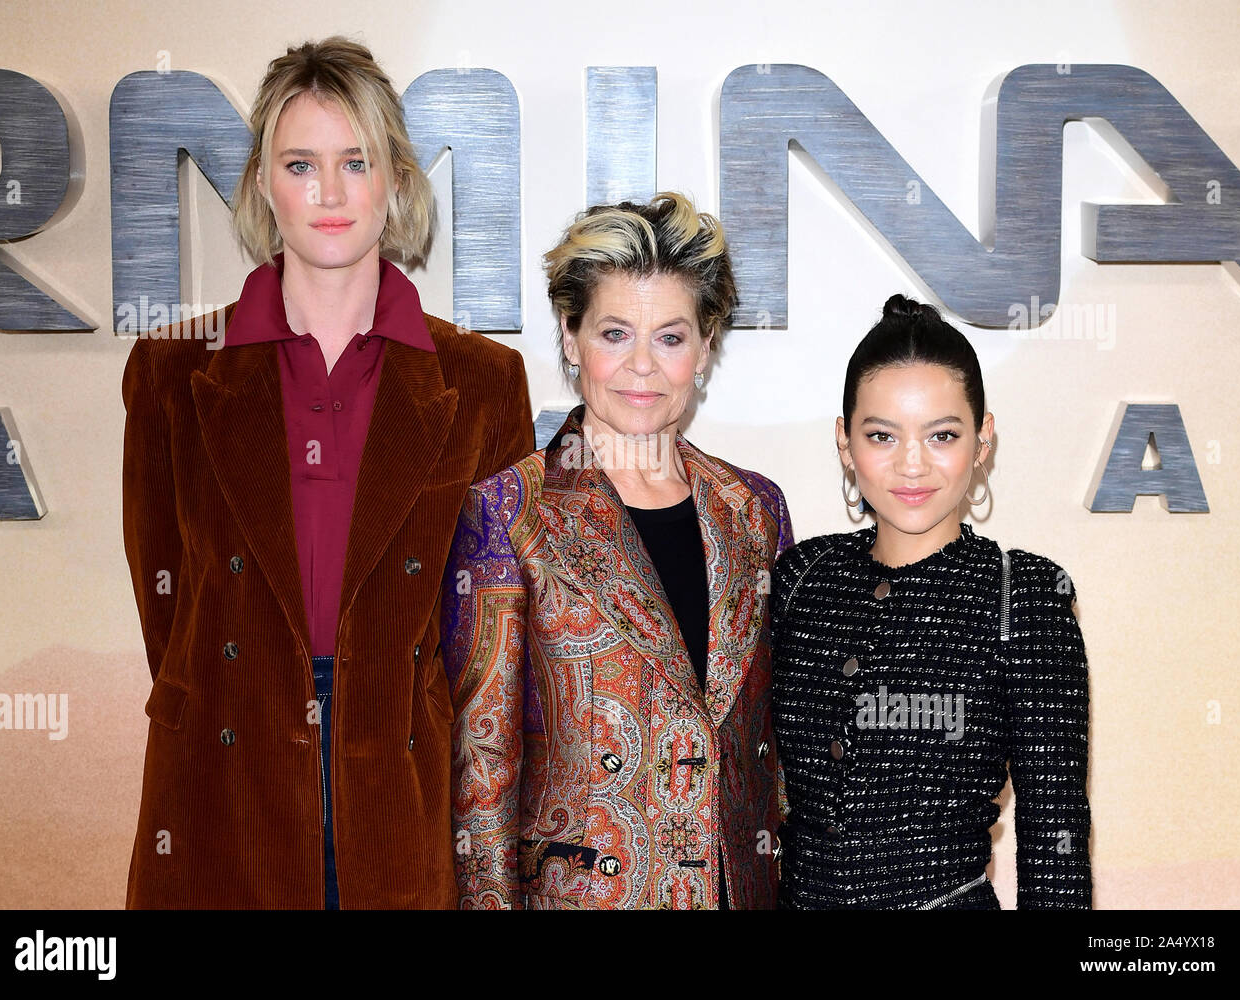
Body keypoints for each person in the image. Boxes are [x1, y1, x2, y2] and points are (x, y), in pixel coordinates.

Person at [120, 36, 534, 909]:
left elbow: (489, 638)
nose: (332, 192)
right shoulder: (172, 369)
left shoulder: (483, 382)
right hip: (222, 778)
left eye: (357, 161)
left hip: (399, 782)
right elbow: (170, 608)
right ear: (265, 184)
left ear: (395, 179)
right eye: (301, 163)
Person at [441, 191, 793, 909]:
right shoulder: (510, 513)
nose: (643, 366)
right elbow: (483, 768)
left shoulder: (755, 510)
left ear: (704, 347)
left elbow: (778, 747)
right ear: (570, 339)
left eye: (670, 336)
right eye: (613, 333)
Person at [771, 294, 1092, 909]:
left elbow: (1056, 840)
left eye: (942, 434)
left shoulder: (1024, 598)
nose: (912, 465)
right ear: (845, 443)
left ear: (983, 438)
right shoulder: (801, 577)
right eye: (882, 435)